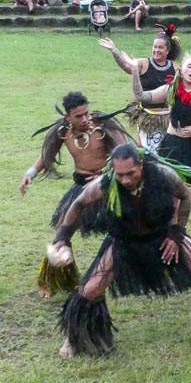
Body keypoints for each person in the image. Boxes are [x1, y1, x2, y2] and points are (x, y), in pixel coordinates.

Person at [49, 143, 191, 357]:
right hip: (123, 241)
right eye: (120, 175)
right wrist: (63, 238)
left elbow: (185, 196)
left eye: (130, 173)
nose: (125, 180)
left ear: (141, 166)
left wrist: (176, 232)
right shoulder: (104, 184)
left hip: (163, 236)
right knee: (90, 290)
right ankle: (72, 339)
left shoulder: (164, 175)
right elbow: (78, 204)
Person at [20, 91, 130, 298]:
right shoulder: (62, 131)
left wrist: (108, 175)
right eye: (78, 116)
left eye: (86, 113)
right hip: (81, 188)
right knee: (62, 233)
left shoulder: (103, 125)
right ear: (67, 117)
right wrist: (30, 173)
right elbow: (47, 155)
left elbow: (125, 151)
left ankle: (124, 272)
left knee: (126, 229)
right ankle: (58, 280)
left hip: (108, 185)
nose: (85, 119)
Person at [130, 52, 191, 248]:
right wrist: (134, 71)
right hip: (174, 146)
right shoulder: (171, 89)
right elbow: (142, 96)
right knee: (174, 191)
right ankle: (172, 230)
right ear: (181, 70)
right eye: (190, 67)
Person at [99, 24, 180, 150]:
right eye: (154, 47)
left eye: (160, 48)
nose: (156, 50)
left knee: (166, 149)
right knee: (149, 150)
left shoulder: (175, 68)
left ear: (167, 50)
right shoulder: (144, 63)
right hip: (148, 116)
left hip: (167, 116)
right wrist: (114, 51)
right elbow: (127, 66)